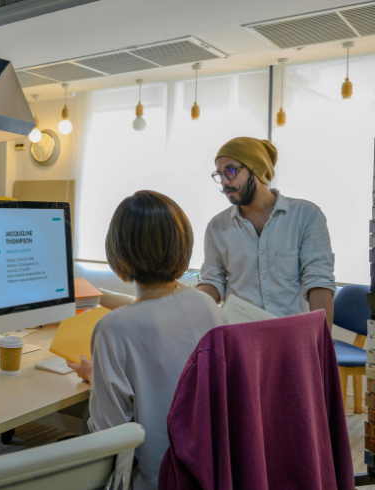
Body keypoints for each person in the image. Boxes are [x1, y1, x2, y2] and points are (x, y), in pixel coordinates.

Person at [68, 191, 228, 490]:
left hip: (153, 479)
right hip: (208, 471)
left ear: (119, 250)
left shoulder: (113, 329)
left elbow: (108, 437)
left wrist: (96, 381)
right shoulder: (208, 306)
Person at [196, 137, 336, 327]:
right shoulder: (217, 226)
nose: (223, 182)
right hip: (240, 335)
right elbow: (214, 280)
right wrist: (187, 303)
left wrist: (322, 341)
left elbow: (318, 281)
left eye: (230, 171)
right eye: (219, 174)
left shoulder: (306, 216)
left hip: (292, 335)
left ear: (257, 169)